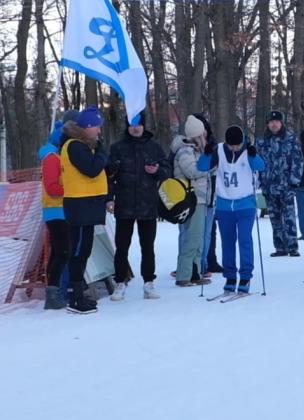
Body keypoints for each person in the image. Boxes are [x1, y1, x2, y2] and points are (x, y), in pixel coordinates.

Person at [106, 113, 170, 301]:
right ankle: (120, 282)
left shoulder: (154, 147)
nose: (136, 128)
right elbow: (108, 176)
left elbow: (168, 172)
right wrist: (109, 199)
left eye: (139, 125)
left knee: (147, 246)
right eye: (132, 125)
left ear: (144, 126)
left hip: (148, 204)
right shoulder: (117, 148)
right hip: (124, 205)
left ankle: (149, 282)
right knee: (122, 246)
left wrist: (157, 170)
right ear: (127, 126)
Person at [199, 125, 266, 293]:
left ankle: (245, 277)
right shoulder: (219, 150)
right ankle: (230, 276)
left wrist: (254, 154)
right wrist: (207, 153)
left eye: (237, 145)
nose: (234, 148)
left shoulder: (247, 151)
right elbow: (202, 167)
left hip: (246, 204)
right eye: (231, 145)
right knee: (227, 242)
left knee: (244, 240)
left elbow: (261, 166)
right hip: (224, 205)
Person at [60, 106, 109, 314]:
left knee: (84, 250)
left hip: (86, 205)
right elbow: (91, 169)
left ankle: (78, 292)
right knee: (79, 251)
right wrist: (102, 151)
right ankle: (75, 296)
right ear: (88, 127)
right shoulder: (75, 146)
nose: (99, 131)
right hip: (79, 206)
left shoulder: (81, 145)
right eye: (97, 127)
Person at [40, 111, 79, 310]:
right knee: (62, 252)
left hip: (64, 210)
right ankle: (53, 293)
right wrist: (73, 189)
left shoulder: (57, 157)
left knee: (60, 252)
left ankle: (55, 292)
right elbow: (52, 188)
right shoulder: (51, 158)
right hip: (56, 211)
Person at [171, 115, 213, 287]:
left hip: (201, 199)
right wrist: (210, 165)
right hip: (190, 200)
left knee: (199, 239)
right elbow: (193, 172)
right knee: (192, 237)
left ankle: (195, 272)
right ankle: (184, 274)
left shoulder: (197, 151)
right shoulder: (185, 151)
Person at [257, 110, 303, 257]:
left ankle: (292, 246)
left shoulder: (291, 138)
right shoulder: (262, 141)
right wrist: (260, 181)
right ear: (268, 124)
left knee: (289, 216)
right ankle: (280, 247)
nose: (274, 124)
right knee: (274, 218)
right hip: (269, 185)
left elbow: (298, 160)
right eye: (271, 121)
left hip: (286, 185)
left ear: (281, 123)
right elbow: (257, 163)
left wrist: (294, 181)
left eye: (277, 121)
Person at [191, 113, 223, 274]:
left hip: (213, 193)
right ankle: (192, 264)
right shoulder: (189, 146)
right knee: (194, 232)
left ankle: (210, 260)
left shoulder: (213, 145)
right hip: (195, 195)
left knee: (210, 230)